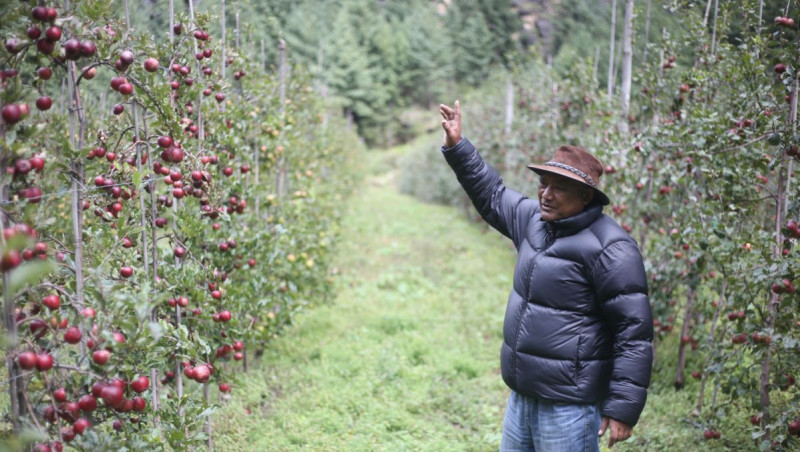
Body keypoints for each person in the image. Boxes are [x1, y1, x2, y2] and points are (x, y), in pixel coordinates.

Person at [439, 101, 653, 451]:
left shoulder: (611, 248)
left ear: (586, 196)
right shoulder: (534, 223)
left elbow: (633, 332)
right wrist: (458, 146)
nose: (545, 194)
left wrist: (623, 408)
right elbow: (492, 193)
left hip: (569, 405)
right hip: (523, 396)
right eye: (543, 183)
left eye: (559, 187)